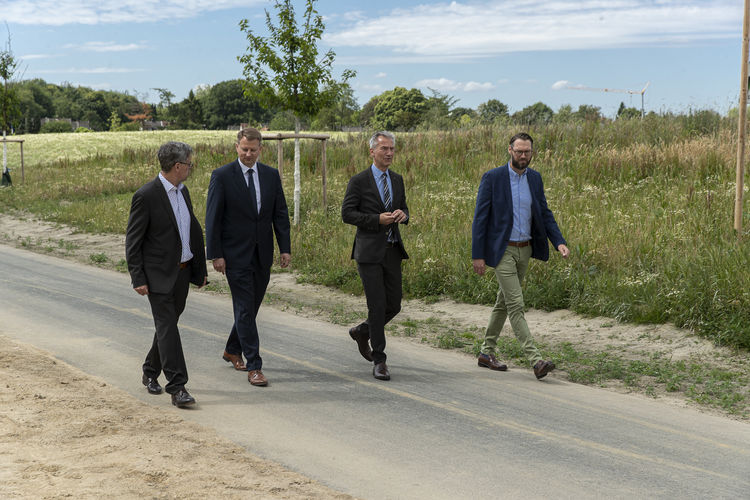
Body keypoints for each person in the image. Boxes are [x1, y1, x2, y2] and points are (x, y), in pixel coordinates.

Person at [471, 132, 570, 380]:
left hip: (525, 249)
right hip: (502, 250)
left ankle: (486, 352)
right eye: (519, 151)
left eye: (527, 152)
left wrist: (558, 242)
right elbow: (480, 219)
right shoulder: (493, 178)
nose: (523, 156)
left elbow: (545, 214)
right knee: (516, 304)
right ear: (510, 150)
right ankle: (535, 360)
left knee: (503, 302)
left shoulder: (535, 179)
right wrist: (478, 254)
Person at [205, 127, 291, 387]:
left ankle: (232, 348)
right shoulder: (221, 176)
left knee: (250, 308)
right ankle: (254, 365)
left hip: (262, 253)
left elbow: (280, 214)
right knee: (244, 307)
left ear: (260, 149)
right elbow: (213, 218)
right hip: (234, 255)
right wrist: (215, 254)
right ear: (236, 147)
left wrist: (284, 248)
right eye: (244, 149)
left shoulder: (271, 176)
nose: (249, 154)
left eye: (253, 150)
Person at [125, 141, 208, 408]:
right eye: (189, 164)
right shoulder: (146, 195)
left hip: (182, 274)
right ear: (178, 166)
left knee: (166, 327)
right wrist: (138, 277)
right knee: (168, 328)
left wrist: (199, 271)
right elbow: (133, 241)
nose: (191, 169)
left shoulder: (183, 192)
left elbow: (192, 232)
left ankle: (150, 371)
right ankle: (177, 386)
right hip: (158, 276)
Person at [342, 131, 409, 381]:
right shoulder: (359, 181)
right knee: (377, 305)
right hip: (368, 253)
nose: (389, 153)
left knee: (394, 305)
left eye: (392, 149)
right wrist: (376, 220)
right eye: (384, 149)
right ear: (372, 151)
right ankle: (379, 360)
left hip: (392, 251)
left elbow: (404, 207)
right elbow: (347, 213)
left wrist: (403, 214)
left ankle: (363, 331)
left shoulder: (398, 179)